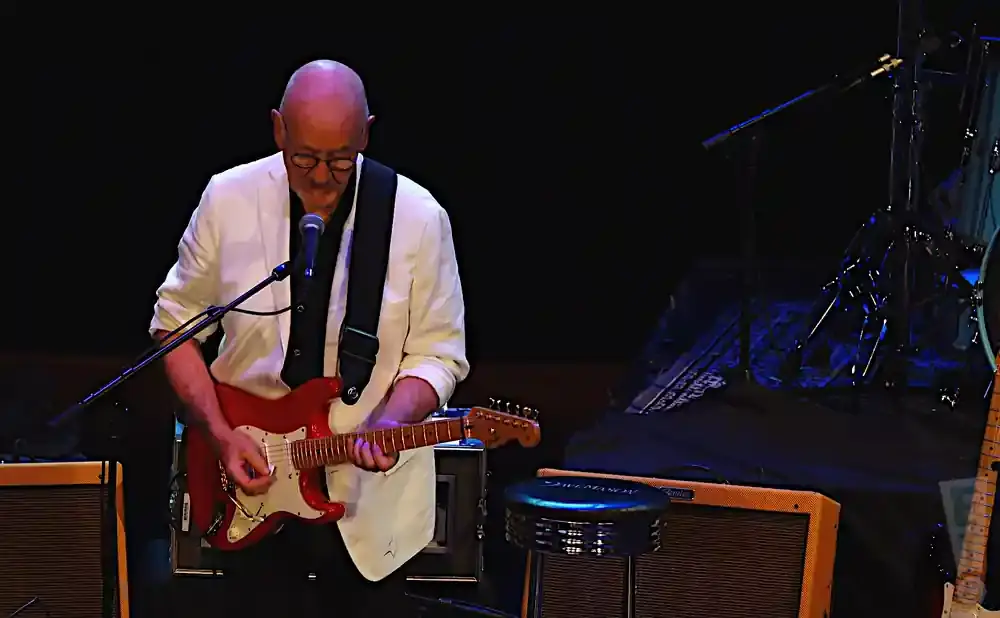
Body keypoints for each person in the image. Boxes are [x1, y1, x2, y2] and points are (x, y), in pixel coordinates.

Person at [151, 59, 469, 616]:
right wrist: (221, 433)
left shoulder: (419, 219)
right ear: (278, 129)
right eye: (303, 158)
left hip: (371, 514)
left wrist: (392, 421)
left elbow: (440, 354)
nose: (321, 177)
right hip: (246, 488)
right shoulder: (227, 199)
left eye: (340, 161)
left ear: (366, 133)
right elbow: (174, 324)